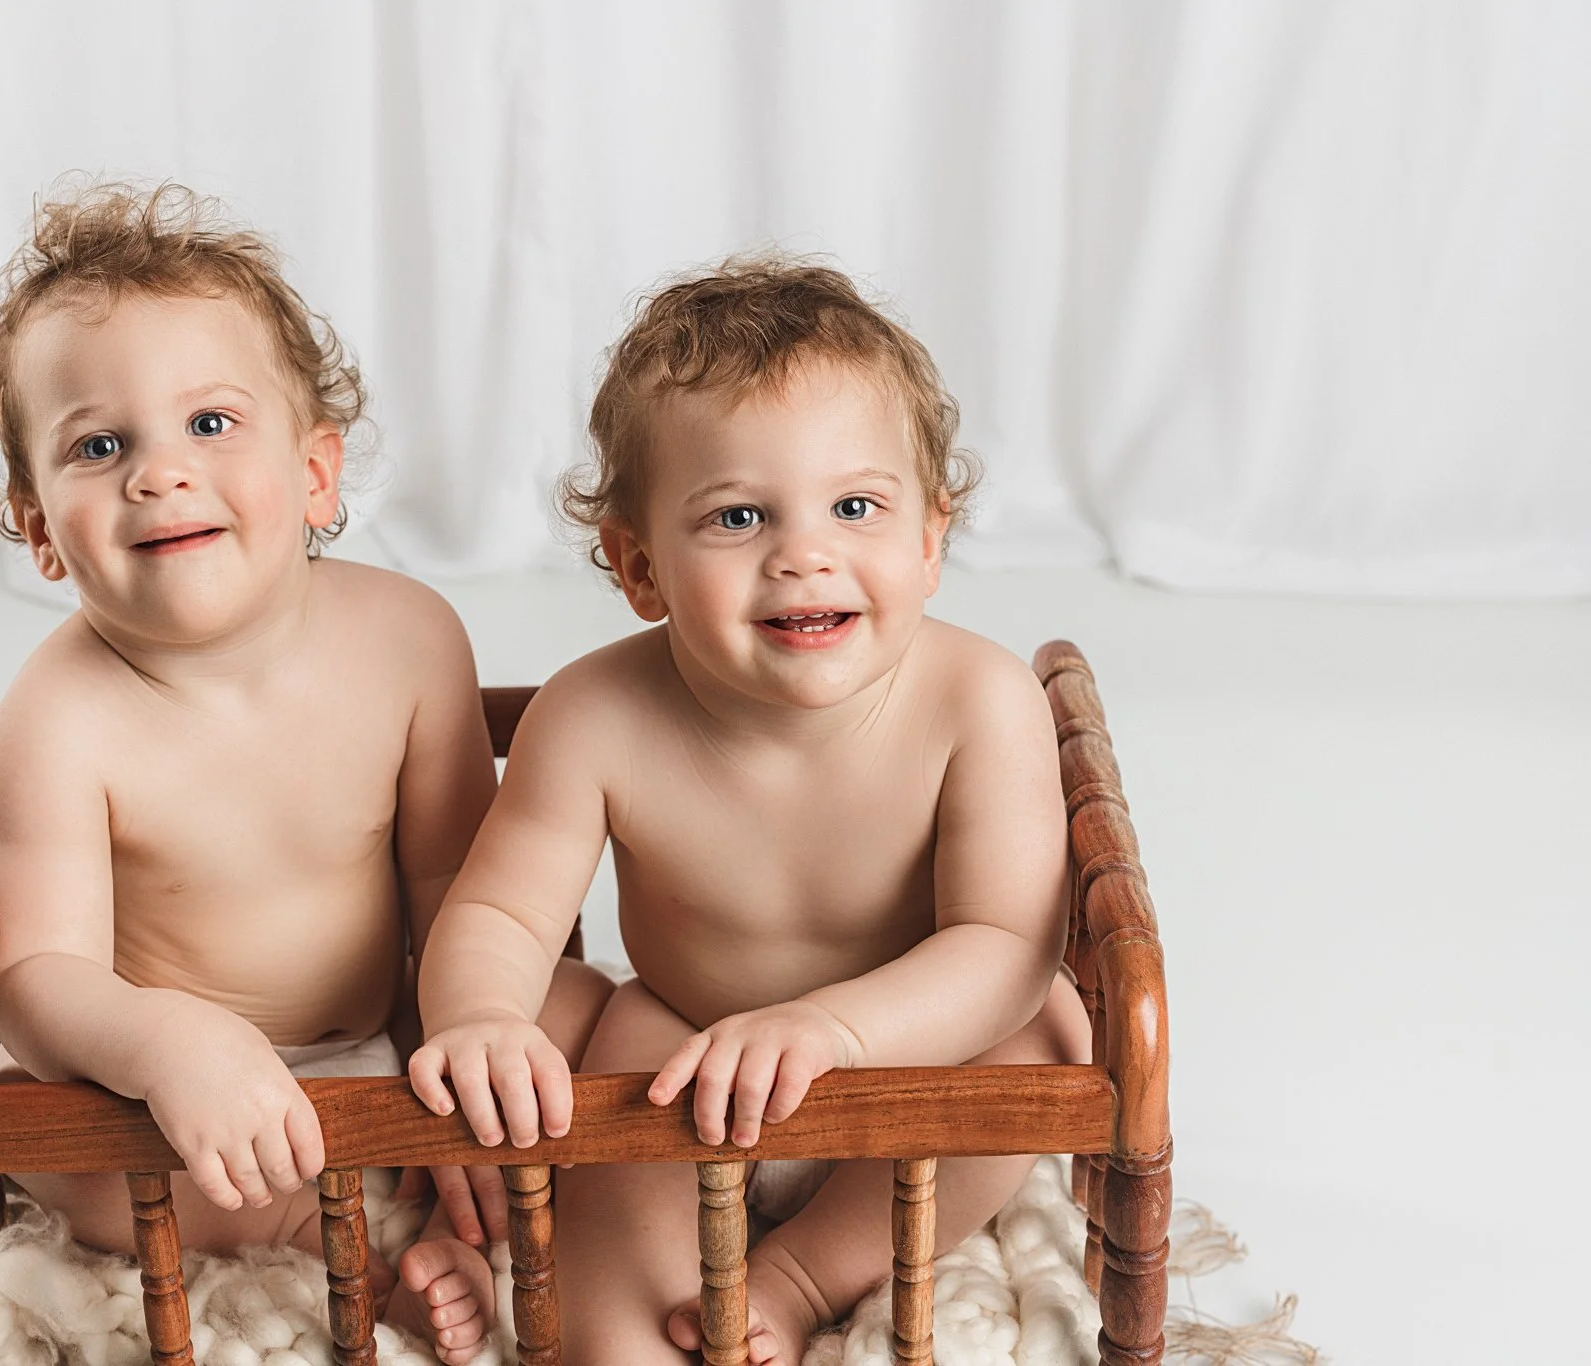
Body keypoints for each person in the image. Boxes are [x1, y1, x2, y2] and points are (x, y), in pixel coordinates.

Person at [0, 181, 612, 1360]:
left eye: (210, 424)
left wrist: (461, 1055)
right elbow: (34, 972)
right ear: (39, 531)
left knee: (590, 1017)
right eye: (98, 445)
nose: (157, 473)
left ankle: (494, 1196)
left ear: (316, 473)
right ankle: (346, 1252)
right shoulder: (54, 719)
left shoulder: (408, 638)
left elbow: (456, 897)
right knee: (33, 1130)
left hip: (391, 1029)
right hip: (174, 1091)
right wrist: (167, 1045)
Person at [408, 258, 1090, 1363]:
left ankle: (802, 1270)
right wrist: (478, 1015)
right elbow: (496, 914)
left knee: (1044, 1033)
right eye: (735, 516)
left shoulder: (979, 700)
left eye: (856, 505)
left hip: (911, 1062)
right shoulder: (592, 713)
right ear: (638, 567)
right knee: (555, 1027)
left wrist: (833, 1031)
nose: (802, 552)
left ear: (928, 538)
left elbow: (1006, 941)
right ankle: (582, 1295)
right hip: (680, 1051)